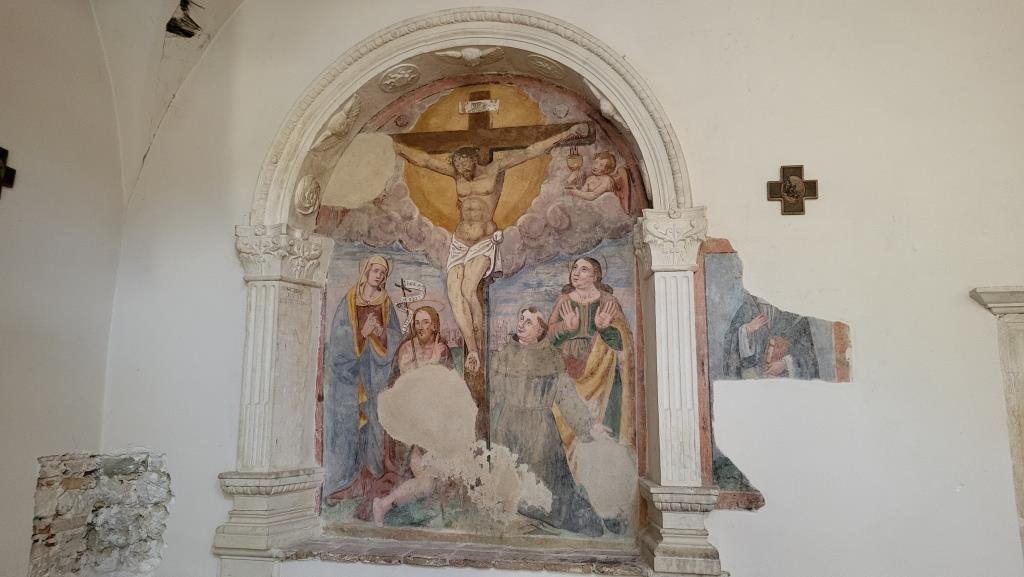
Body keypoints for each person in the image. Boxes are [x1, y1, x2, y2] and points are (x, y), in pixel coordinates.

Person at [394, 123, 589, 374]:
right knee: (454, 293)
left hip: (483, 242)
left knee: (468, 289)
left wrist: (568, 133)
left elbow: (530, 151)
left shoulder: (494, 168)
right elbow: (425, 160)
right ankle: (472, 349)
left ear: (474, 160)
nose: (462, 172)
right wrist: (397, 147)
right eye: (458, 168)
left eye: (466, 167)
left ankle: (476, 348)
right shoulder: (457, 173)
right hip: (459, 243)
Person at [489, 306, 610, 536]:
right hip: (507, 428)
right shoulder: (504, 353)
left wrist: (589, 425)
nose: (521, 324)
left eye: (529, 322)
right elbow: (492, 392)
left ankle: (544, 515)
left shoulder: (550, 357)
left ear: (540, 331)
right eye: (521, 319)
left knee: (547, 489)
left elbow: (566, 396)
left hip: (540, 433)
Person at [324, 255, 404, 516]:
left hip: (377, 375)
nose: (379, 276)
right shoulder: (349, 301)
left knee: (376, 423)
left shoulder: (385, 302)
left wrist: (380, 333)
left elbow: (396, 339)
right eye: (376, 271)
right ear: (366, 272)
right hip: (352, 377)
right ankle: (350, 480)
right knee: (351, 424)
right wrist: (360, 333)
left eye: (383, 272)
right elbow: (337, 340)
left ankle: (373, 477)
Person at [371, 306, 453, 526]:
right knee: (426, 481)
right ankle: (384, 505)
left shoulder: (443, 349)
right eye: (417, 322)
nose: (421, 327)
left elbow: (446, 386)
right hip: (410, 424)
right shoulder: (407, 349)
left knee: (434, 480)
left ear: (434, 326)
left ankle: (395, 507)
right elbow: (409, 382)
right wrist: (430, 364)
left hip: (434, 422)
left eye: (426, 322)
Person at [548, 257, 635, 447]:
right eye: (575, 268)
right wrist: (566, 328)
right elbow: (550, 339)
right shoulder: (564, 300)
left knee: (602, 430)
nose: (576, 273)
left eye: (584, 269)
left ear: (595, 276)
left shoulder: (608, 301)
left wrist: (605, 328)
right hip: (567, 367)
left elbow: (624, 342)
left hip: (602, 371)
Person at [723, 293, 819, 380]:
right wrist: (746, 330)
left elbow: (808, 354)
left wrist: (785, 363)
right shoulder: (748, 308)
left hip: (786, 383)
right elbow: (730, 343)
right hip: (754, 383)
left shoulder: (796, 312)